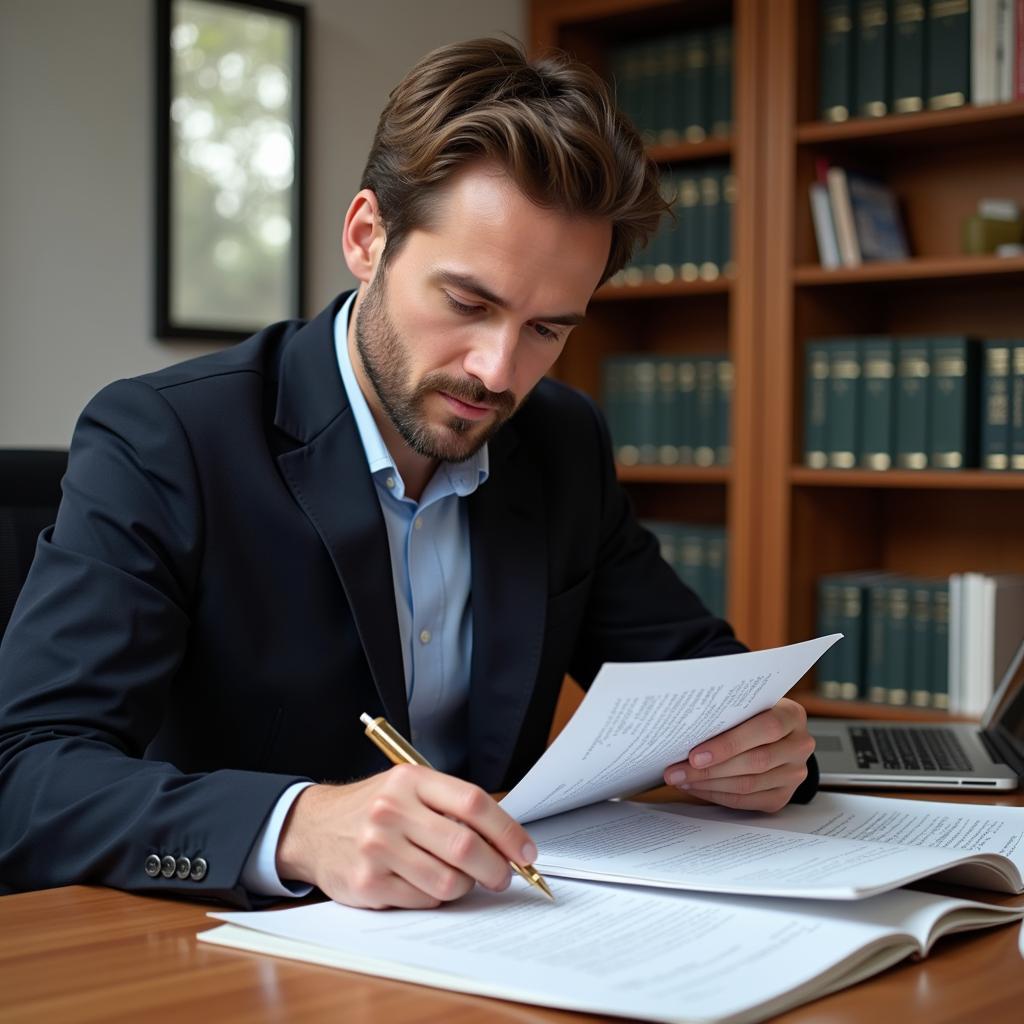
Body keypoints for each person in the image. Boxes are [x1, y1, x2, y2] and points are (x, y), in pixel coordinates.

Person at [0, 38, 816, 910]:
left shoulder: (559, 439)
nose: (499, 372)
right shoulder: (167, 437)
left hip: (506, 942)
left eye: (548, 329)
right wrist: (298, 827)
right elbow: (27, 777)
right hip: (232, 961)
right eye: (469, 304)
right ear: (366, 237)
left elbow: (697, 676)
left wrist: (764, 746)